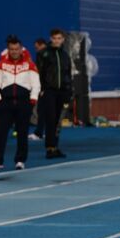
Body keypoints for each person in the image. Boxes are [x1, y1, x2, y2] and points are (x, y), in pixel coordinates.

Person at [0, 35, 40, 171]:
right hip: (5, 103)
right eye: (11, 49)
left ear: (21, 49)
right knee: (1, 133)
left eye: (16, 49)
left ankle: (20, 161)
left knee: (22, 133)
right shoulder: (1, 64)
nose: (14, 51)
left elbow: (36, 83)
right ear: (8, 50)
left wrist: (33, 99)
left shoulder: (29, 64)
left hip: (24, 103)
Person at [37, 28, 71, 158]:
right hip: (49, 91)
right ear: (51, 39)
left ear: (63, 40)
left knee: (58, 120)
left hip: (62, 91)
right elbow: (39, 72)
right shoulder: (43, 54)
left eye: (59, 38)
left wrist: (69, 91)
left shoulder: (65, 55)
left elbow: (68, 74)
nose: (57, 41)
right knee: (50, 119)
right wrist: (41, 89)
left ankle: (55, 147)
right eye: (54, 38)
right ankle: (49, 148)